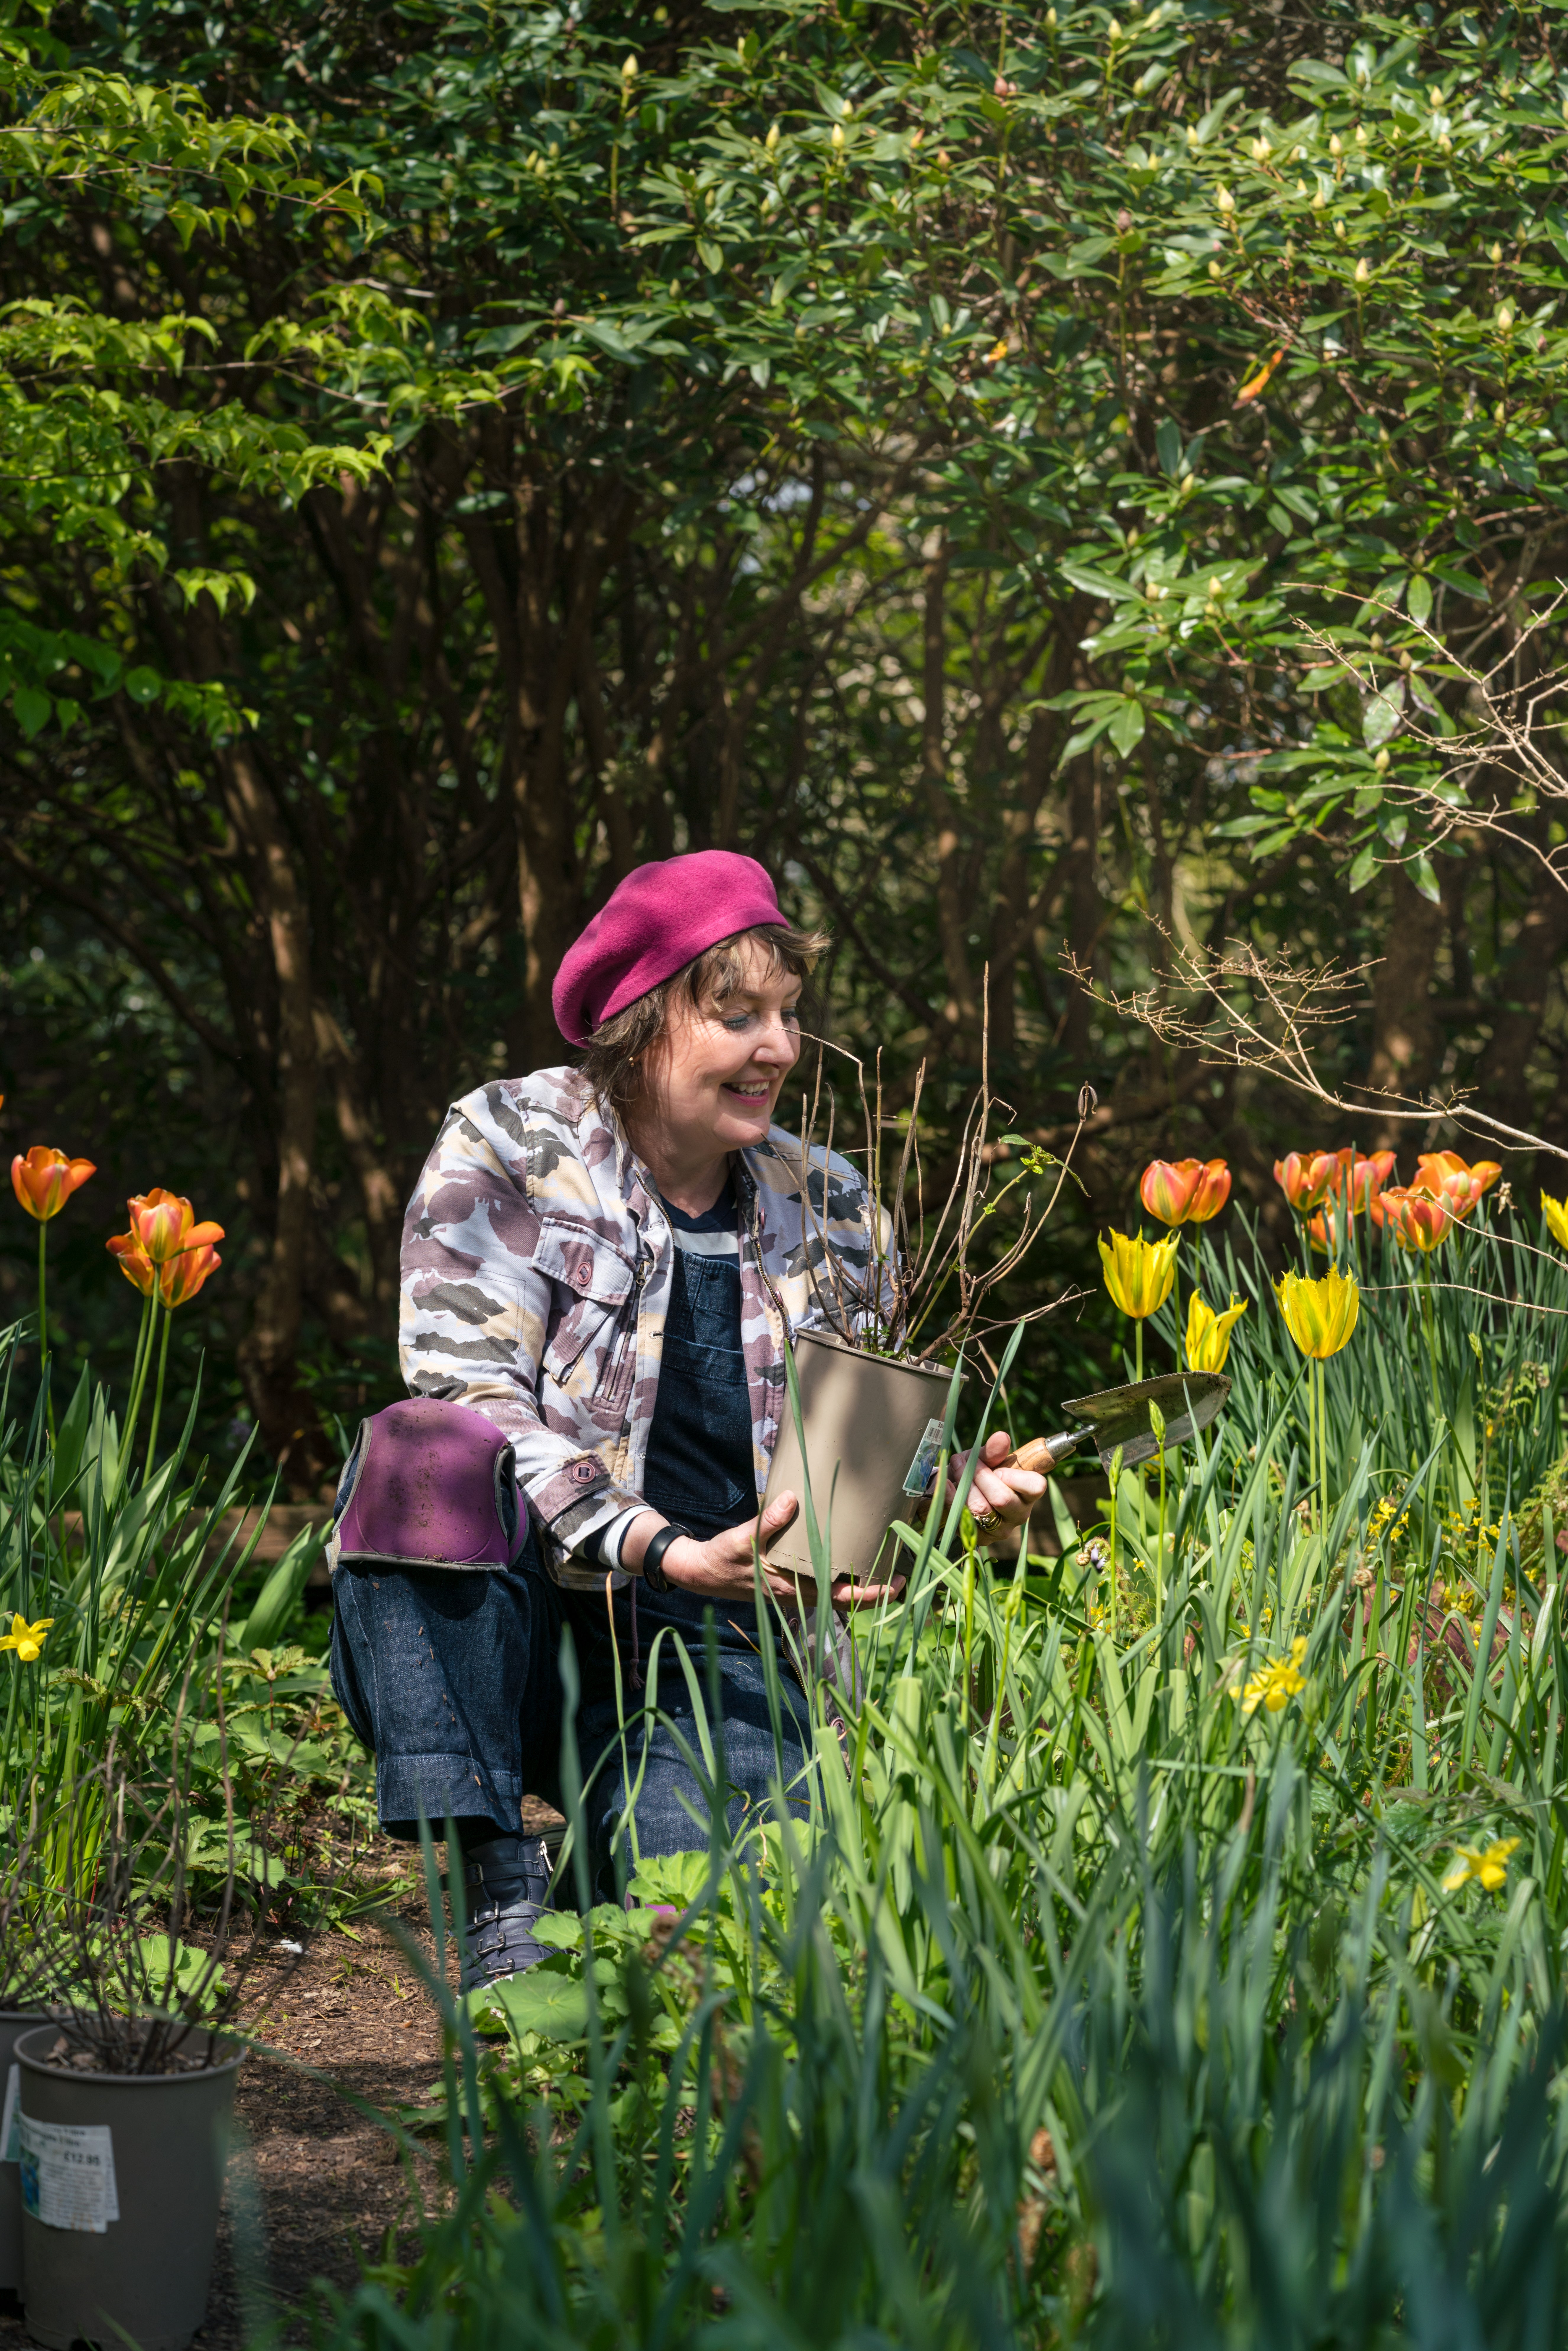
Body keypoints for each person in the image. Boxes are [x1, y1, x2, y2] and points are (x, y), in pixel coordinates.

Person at [327, 851, 1044, 1986]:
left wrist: (957, 1497)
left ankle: (598, 1864)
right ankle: (489, 1864)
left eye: (789, 1016)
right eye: (739, 1015)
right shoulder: (511, 1143)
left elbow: (856, 1466)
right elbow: (468, 1389)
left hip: (723, 1633)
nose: (780, 1050)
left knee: (727, 1921)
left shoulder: (836, 1203)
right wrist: (655, 1544)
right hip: (523, 1608)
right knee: (425, 1456)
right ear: (637, 1021)